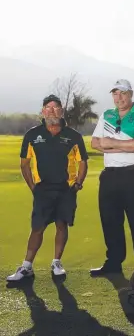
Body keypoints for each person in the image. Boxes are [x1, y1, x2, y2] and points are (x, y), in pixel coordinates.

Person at [7, 95, 88, 282]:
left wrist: (77, 184)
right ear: (43, 111)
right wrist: (33, 187)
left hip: (66, 190)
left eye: (55, 107)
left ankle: (56, 262)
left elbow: (82, 162)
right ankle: (26, 266)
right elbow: (24, 164)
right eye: (47, 107)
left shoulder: (73, 136)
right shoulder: (32, 135)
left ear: (61, 111)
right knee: (37, 228)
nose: (51, 111)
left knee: (62, 225)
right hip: (42, 190)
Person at [90, 79, 134, 276]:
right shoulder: (107, 115)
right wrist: (124, 146)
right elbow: (94, 142)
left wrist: (112, 144)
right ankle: (114, 262)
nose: (119, 97)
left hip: (132, 174)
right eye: (115, 94)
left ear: (131, 94)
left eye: (123, 93)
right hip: (109, 175)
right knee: (110, 220)